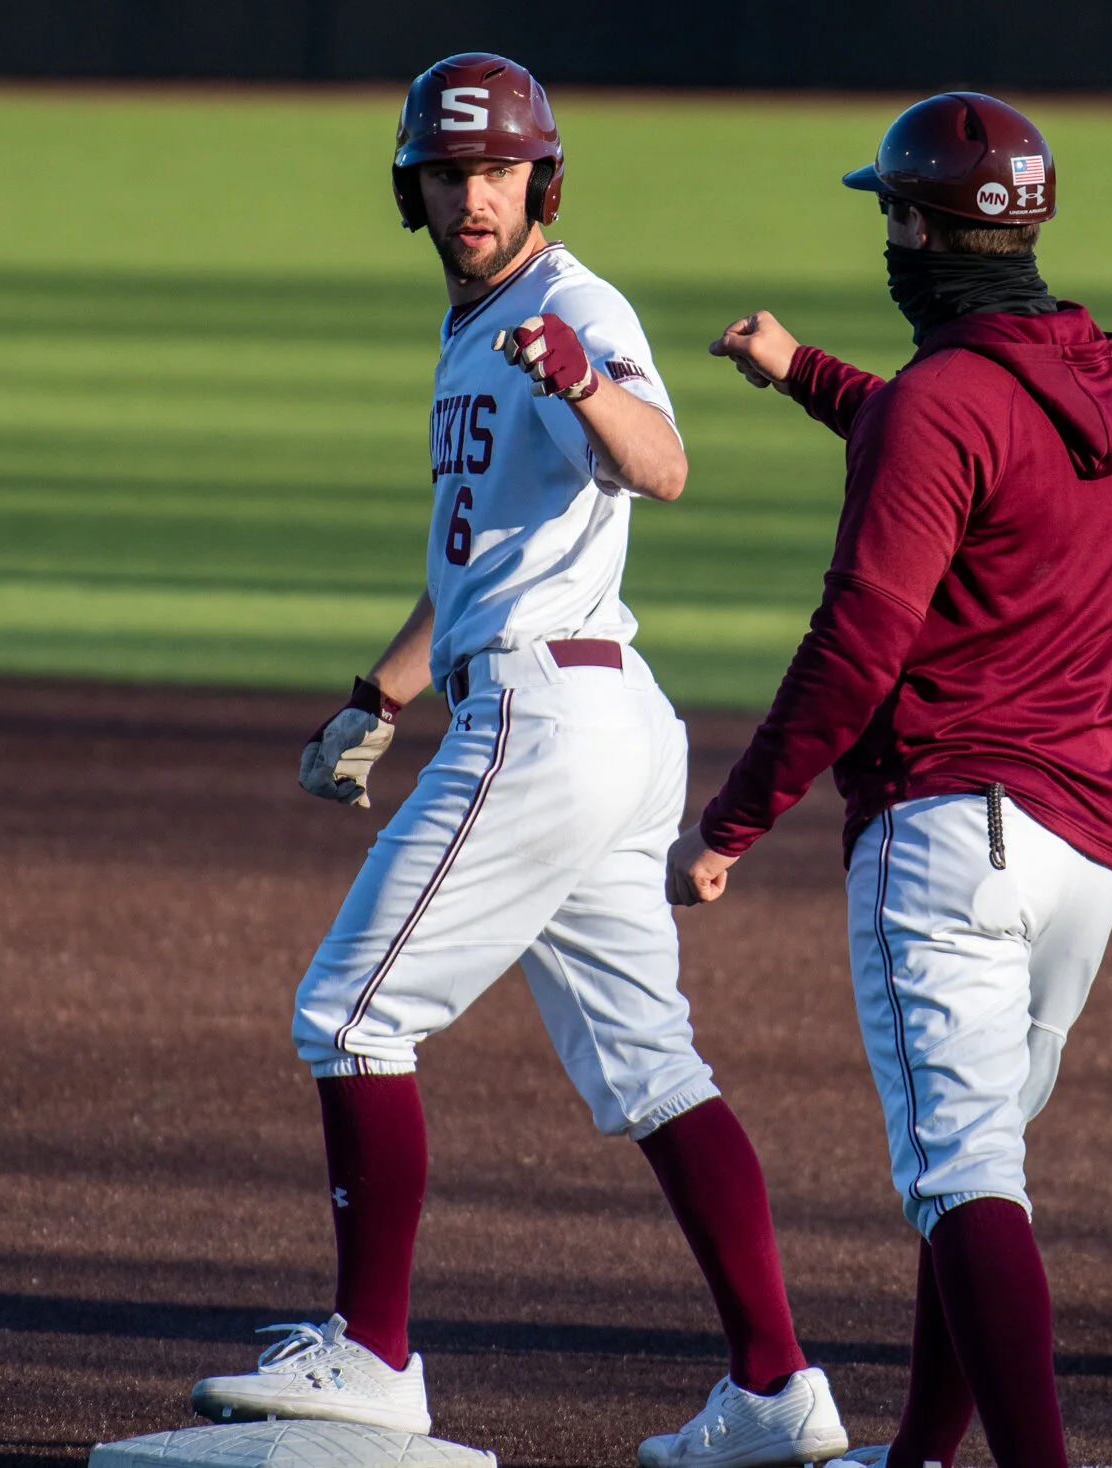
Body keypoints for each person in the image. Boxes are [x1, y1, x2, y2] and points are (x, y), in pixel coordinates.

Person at [188, 53, 847, 1465]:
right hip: (586, 715)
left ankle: (372, 1358)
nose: (473, 194)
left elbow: (662, 466)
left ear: (541, 180)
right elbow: (483, 566)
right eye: (449, 171)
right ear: (413, 189)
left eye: (497, 171)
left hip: (549, 726)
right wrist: (381, 694)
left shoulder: (567, 308)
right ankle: (779, 1385)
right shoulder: (473, 324)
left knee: (351, 1014)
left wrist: (582, 378)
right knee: (651, 1067)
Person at [676, 94, 1112, 1468]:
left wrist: (734, 821)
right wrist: (807, 371)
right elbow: (953, 448)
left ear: (930, 230)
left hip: (954, 833)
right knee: (977, 1168)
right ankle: (922, 1458)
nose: (886, 239)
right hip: (1090, 849)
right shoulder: (1094, 376)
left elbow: (861, 639)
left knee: (965, 1180)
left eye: (893, 214)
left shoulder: (941, 406)